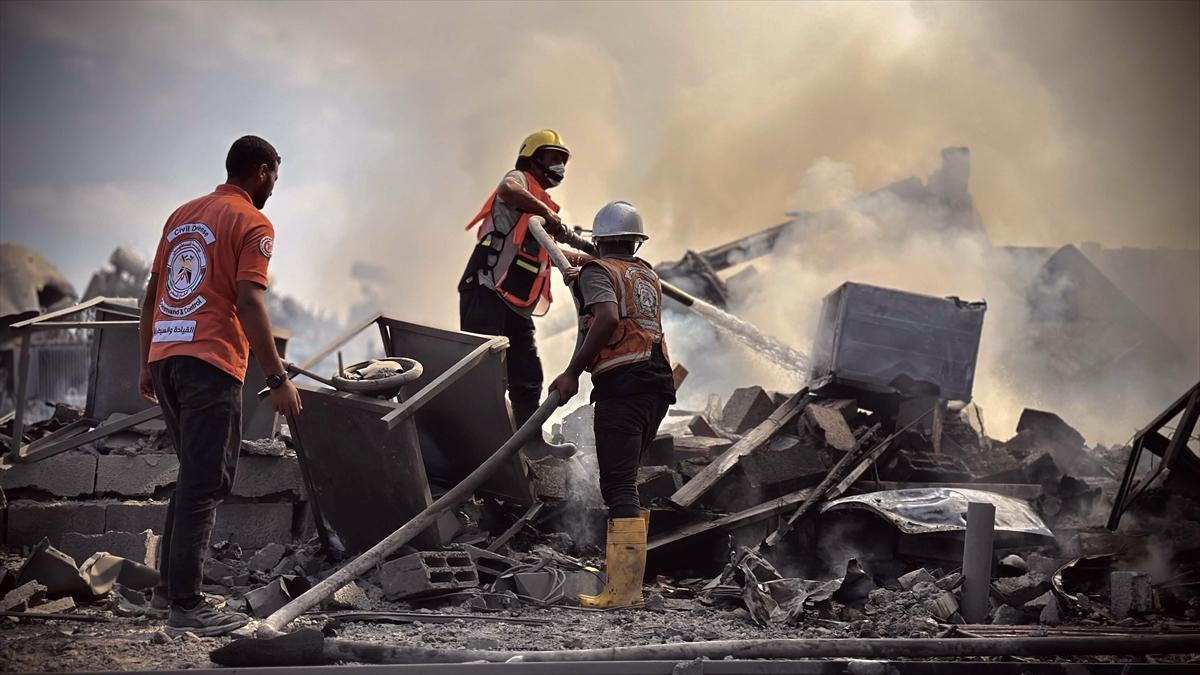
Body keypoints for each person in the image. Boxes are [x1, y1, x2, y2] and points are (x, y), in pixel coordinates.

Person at [137, 135, 302, 637]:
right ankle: (185, 604)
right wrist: (277, 378)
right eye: (275, 173)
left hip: (167, 354)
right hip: (210, 360)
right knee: (206, 481)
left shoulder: (181, 215)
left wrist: (147, 363)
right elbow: (250, 302)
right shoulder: (253, 221)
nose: (276, 183)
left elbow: (152, 296)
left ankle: (166, 593)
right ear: (261, 171)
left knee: (193, 477)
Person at [548, 200, 675, 608]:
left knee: (618, 485)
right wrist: (576, 269)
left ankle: (623, 593)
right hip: (657, 385)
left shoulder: (598, 272)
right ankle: (629, 585)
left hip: (623, 385)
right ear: (635, 242)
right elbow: (605, 280)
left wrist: (571, 373)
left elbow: (605, 318)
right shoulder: (644, 273)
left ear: (600, 239)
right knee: (627, 481)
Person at [459, 129, 595, 458]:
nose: (560, 166)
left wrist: (598, 259)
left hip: (515, 306)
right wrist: (548, 216)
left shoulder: (546, 210)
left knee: (528, 374)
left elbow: (553, 252)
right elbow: (507, 189)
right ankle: (477, 445)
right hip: (486, 290)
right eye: (553, 157)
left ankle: (531, 443)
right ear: (532, 158)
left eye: (563, 160)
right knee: (487, 372)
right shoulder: (518, 181)